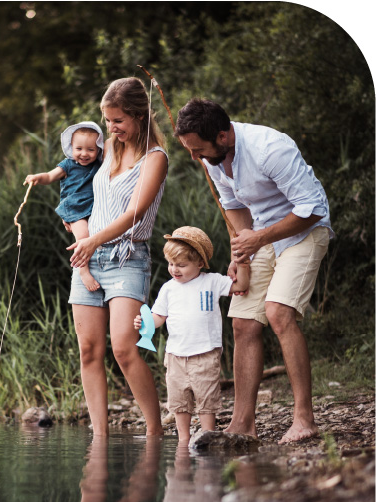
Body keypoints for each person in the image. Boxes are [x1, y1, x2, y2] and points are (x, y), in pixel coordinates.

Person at [174, 98, 333, 444]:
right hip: (262, 236)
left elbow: (313, 209)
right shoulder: (213, 159)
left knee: (278, 313)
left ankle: (304, 419)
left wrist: (258, 237)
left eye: (199, 149)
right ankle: (243, 423)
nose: (196, 157)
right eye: (190, 150)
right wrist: (241, 250)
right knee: (243, 322)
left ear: (223, 136)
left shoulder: (269, 148)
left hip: (305, 232)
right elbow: (234, 207)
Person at [67, 77, 169, 437]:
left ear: (139, 116)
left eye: (118, 121)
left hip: (128, 258)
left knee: (125, 348)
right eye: (108, 121)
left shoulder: (156, 158)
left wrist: (92, 241)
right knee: (88, 350)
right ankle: (100, 437)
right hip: (89, 258)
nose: (110, 129)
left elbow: (135, 214)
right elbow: (75, 194)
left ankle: (155, 431)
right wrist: (82, 239)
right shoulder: (106, 148)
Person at [133, 226, 249, 443]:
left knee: (206, 399)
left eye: (182, 265)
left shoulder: (212, 281)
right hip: (176, 356)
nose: (174, 270)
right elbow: (158, 317)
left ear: (200, 263)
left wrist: (242, 262)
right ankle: (183, 441)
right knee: (179, 402)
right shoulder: (168, 288)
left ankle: (207, 437)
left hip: (205, 354)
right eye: (171, 264)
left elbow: (241, 284)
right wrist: (144, 322)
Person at [25, 121, 104, 291]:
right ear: (71, 147)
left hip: (94, 208)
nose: (84, 154)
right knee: (83, 237)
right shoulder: (68, 164)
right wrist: (38, 177)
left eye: (90, 149)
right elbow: (50, 176)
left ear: (98, 149)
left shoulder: (99, 166)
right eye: (79, 149)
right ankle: (83, 271)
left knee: (96, 235)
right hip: (75, 208)